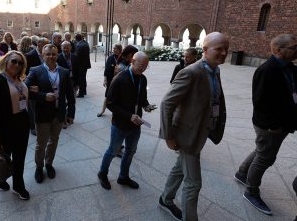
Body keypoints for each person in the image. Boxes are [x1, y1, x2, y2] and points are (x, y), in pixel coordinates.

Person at [158, 32, 229, 221]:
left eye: (226, 49)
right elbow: (167, 104)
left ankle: (165, 199)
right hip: (186, 135)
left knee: (179, 169)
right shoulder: (191, 72)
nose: (224, 53)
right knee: (193, 183)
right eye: (219, 49)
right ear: (205, 50)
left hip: (200, 132)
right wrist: (169, 136)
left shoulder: (216, 70)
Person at [234, 33, 297, 215]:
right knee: (265, 158)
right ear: (278, 50)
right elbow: (261, 102)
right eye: (293, 47)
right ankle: (251, 191)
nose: (296, 51)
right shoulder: (266, 70)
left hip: (283, 123)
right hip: (270, 125)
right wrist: (272, 126)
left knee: (262, 151)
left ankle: (242, 173)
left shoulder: (290, 69)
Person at [97, 51, 156, 190]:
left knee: (130, 151)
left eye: (146, 66)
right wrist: (129, 116)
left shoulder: (143, 79)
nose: (143, 68)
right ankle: (102, 173)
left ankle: (123, 177)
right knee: (113, 150)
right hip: (120, 124)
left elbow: (141, 98)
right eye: (141, 65)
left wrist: (146, 105)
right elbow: (110, 103)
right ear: (133, 61)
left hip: (136, 124)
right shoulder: (119, 78)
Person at [0, 51, 33, 200]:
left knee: (20, 157)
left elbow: (19, 96)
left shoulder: (18, 79)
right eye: (14, 61)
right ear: (6, 61)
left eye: (20, 63)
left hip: (22, 125)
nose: (17, 65)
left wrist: (31, 91)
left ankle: (18, 185)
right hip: (5, 127)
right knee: (4, 157)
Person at [25, 44, 75, 183]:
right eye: (48, 54)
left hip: (59, 114)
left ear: (57, 55)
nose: (51, 56)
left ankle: (49, 164)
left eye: (54, 54)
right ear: (42, 55)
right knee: (41, 144)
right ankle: (39, 167)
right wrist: (42, 96)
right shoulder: (35, 70)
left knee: (54, 141)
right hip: (42, 114)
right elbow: (25, 89)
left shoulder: (64, 72)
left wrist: (71, 114)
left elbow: (70, 95)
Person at [97, 43, 123, 117]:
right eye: (113, 48)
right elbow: (107, 70)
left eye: (115, 48)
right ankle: (102, 111)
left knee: (118, 97)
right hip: (110, 80)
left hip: (120, 81)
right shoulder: (110, 58)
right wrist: (105, 80)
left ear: (119, 49)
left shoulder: (123, 58)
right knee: (107, 96)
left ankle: (116, 112)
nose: (113, 49)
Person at [74, 33, 91, 97]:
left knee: (81, 79)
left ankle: (81, 93)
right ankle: (84, 91)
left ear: (76, 38)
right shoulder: (85, 43)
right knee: (83, 78)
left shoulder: (79, 45)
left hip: (81, 65)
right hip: (85, 64)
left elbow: (77, 56)